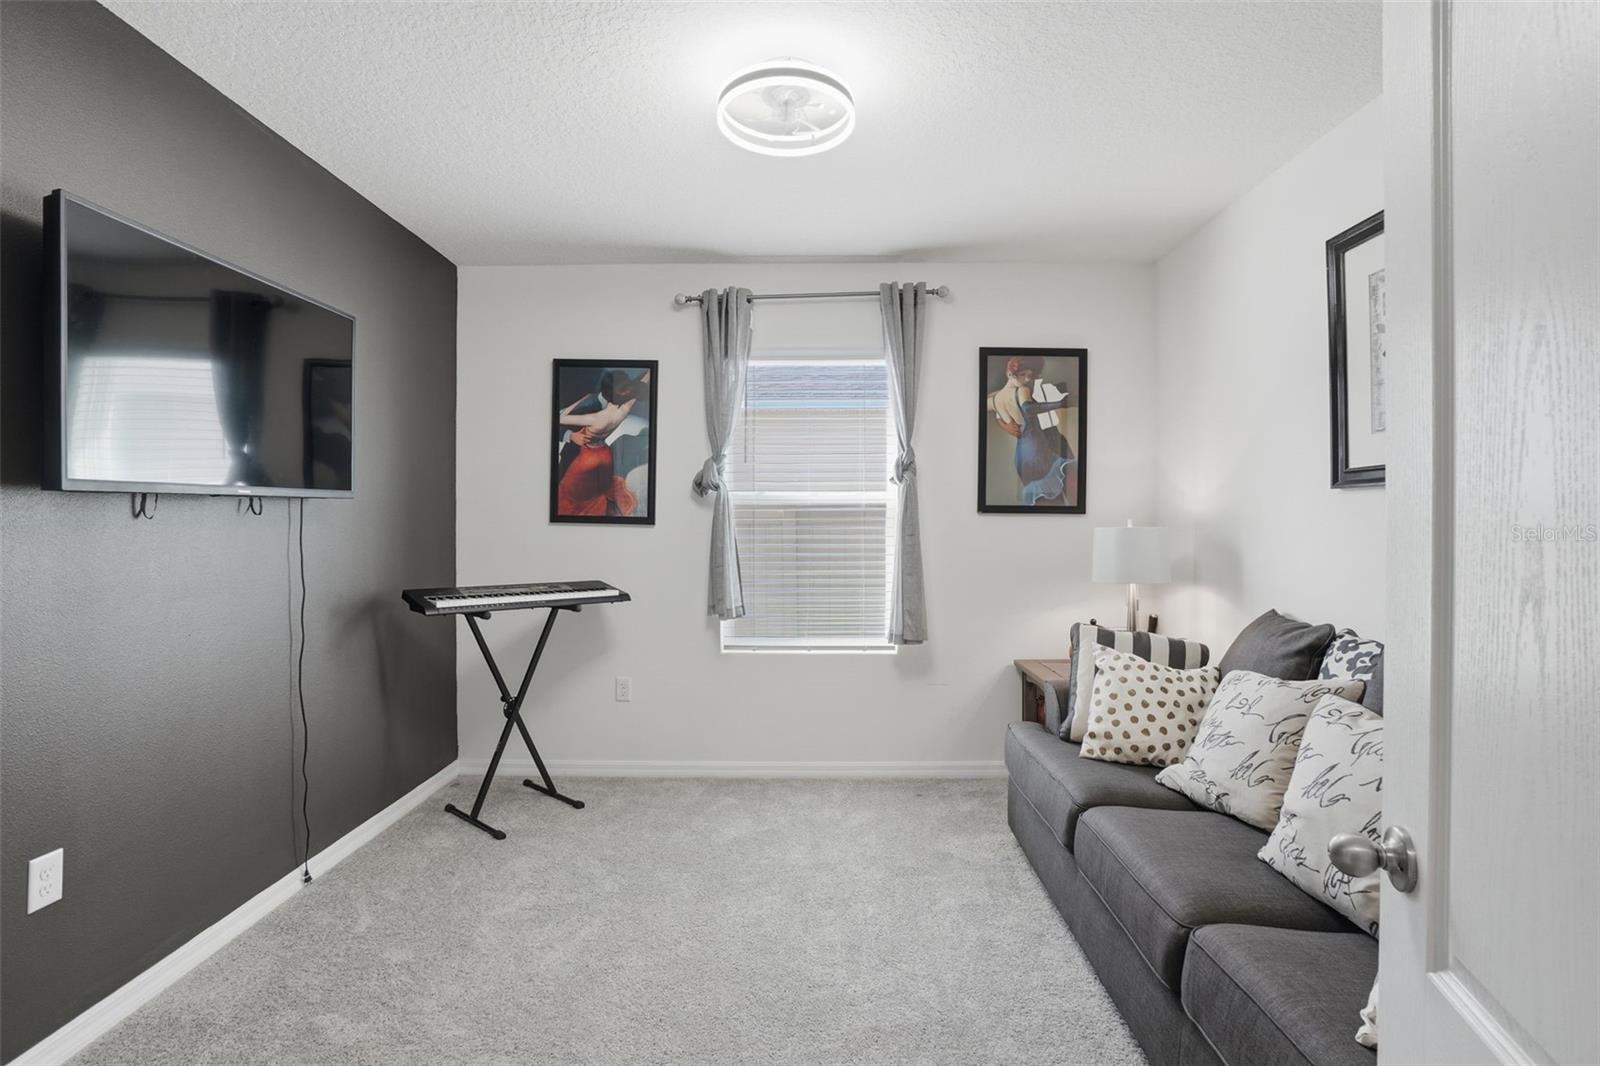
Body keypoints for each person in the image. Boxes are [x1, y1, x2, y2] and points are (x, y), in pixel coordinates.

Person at [986, 355, 1077, 506]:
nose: (1027, 379)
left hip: (1022, 456)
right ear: (1010, 373)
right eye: (1023, 375)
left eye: (1030, 375)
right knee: (1055, 499)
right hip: (1038, 449)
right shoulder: (1022, 390)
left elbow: (990, 404)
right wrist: (1062, 403)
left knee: (1046, 498)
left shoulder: (994, 400)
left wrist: (1002, 419)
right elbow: (1029, 409)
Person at [555, 369, 649, 517]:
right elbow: (640, 384)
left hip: (585, 458)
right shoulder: (625, 408)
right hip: (604, 454)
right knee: (594, 488)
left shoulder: (595, 417)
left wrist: (574, 406)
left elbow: (557, 418)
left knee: (573, 492)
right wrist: (570, 435)